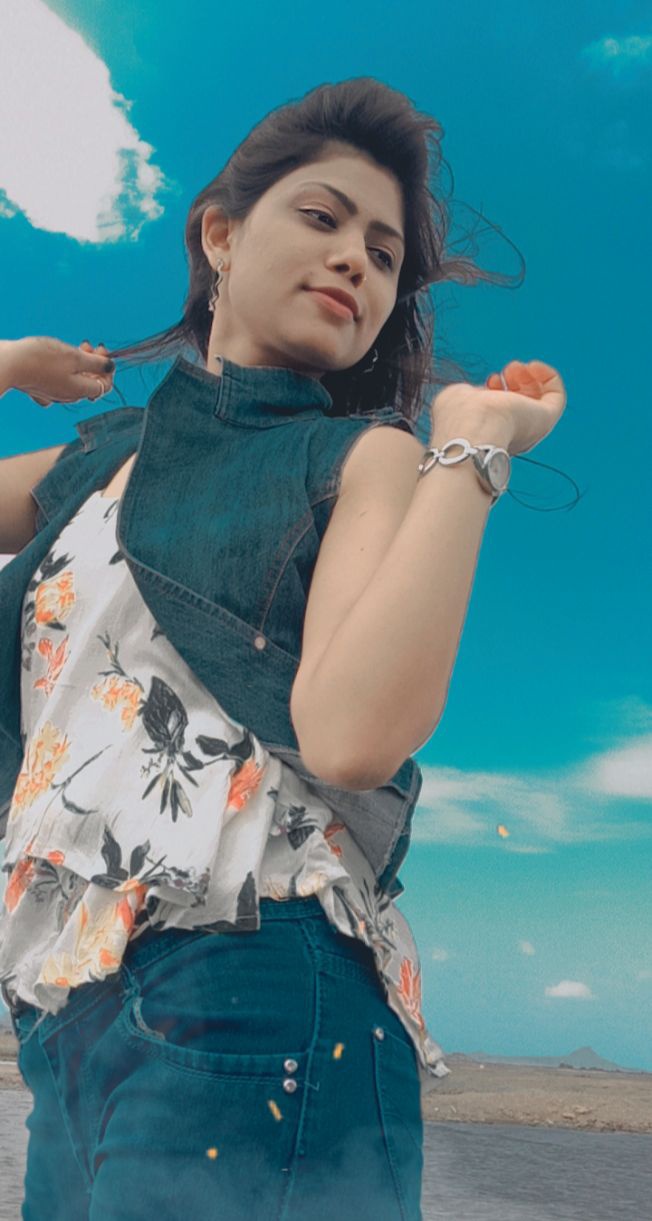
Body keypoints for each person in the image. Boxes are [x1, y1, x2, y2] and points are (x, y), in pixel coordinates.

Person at [0, 77, 566, 1220]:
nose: (357, 259)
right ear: (219, 235)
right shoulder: (93, 462)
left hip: (251, 975)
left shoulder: (355, 456)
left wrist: (469, 448)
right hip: (66, 1013)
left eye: (384, 254)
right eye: (322, 217)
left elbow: (351, 738)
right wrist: (9, 364)